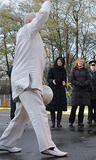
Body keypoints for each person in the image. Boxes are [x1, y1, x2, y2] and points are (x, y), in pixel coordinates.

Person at [0, 0, 67, 157]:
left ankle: (6, 142)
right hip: (26, 82)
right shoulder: (27, 30)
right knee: (39, 112)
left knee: (21, 117)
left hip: (29, 80)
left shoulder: (32, 37)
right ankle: (48, 146)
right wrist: (48, 2)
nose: (41, 25)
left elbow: (33, 61)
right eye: (36, 21)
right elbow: (43, 15)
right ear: (30, 21)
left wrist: (40, 78)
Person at [69, 58, 91, 128]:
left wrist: (85, 83)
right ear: (77, 63)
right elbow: (71, 79)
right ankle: (71, 121)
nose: (81, 63)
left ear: (83, 63)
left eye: (82, 62)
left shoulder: (86, 70)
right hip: (76, 90)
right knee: (74, 107)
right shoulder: (74, 70)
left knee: (82, 108)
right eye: (79, 62)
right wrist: (78, 83)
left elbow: (89, 79)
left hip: (84, 91)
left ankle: (80, 122)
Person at [46, 57, 67, 128]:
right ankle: (53, 123)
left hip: (60, 90)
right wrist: (52, 81)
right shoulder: (52, 69)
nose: (59, 63)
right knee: (52, 108)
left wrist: (64, 81)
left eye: (61, 62)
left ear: (62, 63)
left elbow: (64, 78)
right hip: (53, 90)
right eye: (58, 61)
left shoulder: (64, 70)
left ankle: (58, 123)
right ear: (56, 62)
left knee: (60, 108)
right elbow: (48, 79)